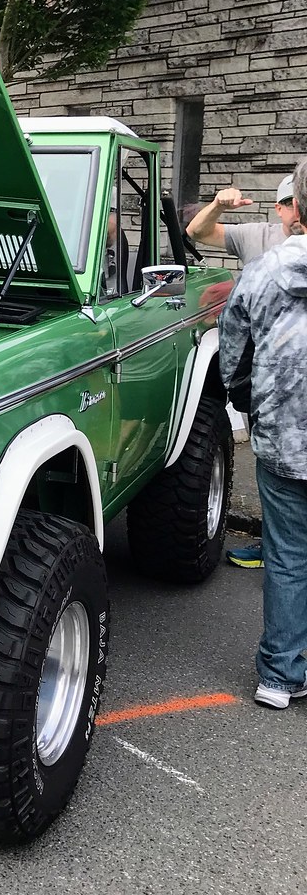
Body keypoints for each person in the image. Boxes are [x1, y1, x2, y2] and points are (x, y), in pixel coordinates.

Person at [218, 158, 307, 709]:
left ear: (296, 206)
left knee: (288, 555)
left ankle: (279, 674)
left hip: (283, 435)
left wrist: (245, 399)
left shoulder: (266, 270)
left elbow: (235, 347)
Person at [188, 172, 298, 568]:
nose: (290, 211)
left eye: (294, 202)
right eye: (285, 203)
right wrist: (217, 205)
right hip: (270, 380)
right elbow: (197, 232)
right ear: (279, 206)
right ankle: (276, 548)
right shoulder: (259, 236)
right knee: (276, 468)